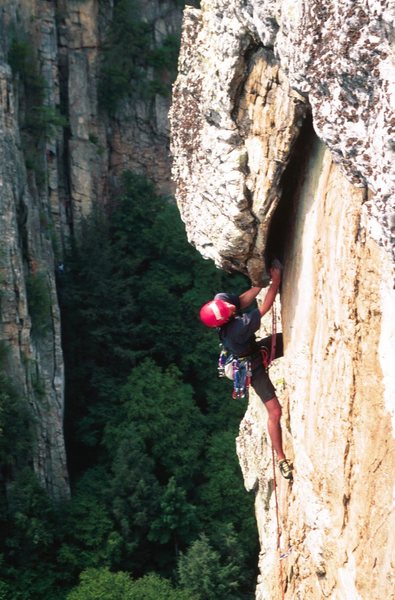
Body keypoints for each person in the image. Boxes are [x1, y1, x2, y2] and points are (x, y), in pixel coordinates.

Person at [199, 264, 293, 480]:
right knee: (275, 412)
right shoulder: (234, 331)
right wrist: (275, 282)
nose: (231, 308)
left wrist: (259, 285)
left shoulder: (221, 302)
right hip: (253, 367)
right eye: (228, 312)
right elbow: (263, 309)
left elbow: (241, 301)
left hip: (257, 351)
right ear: (224, 320)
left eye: (226, 306)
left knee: (291, 338)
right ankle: (281, 458)